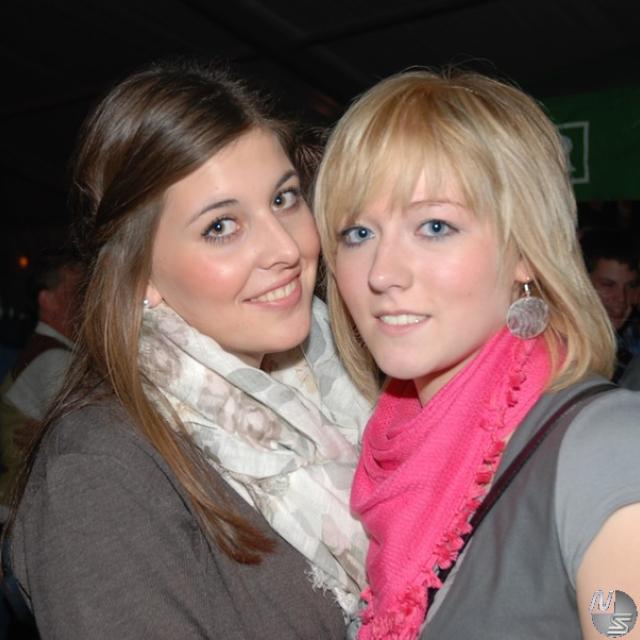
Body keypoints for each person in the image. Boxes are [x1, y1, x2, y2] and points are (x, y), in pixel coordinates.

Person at [4, 58, 371, 639]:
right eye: (220, 227)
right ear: (141, 274)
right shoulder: (99, 473)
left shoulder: (349, 384)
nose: (285, 248)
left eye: (284, 199)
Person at [314, 70, 640, 639]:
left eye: (434, 226)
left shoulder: (603, 446)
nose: (382, 273)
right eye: (358, 234)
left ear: (525, 251)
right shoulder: (381, 453)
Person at [0, 253, 82, 503]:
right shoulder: (56, 359)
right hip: (24, 507)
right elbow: (81, 439)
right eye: (75, 292)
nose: (85, 300)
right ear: (47, 301)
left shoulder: (45, 350)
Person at [580, 228, 640, 381]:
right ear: (581, 283)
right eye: (608, 285)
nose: (622, 298)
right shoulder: (561, 349)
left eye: (631, 286)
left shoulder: (630, 338)